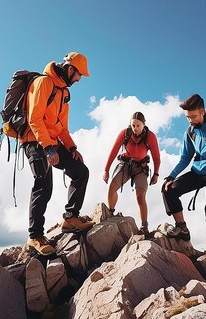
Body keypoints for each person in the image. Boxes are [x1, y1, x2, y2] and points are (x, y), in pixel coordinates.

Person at [20, 52, 93, 256]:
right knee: (43, 183)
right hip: (34, 140)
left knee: (81, 171)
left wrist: (72, 148)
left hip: (51, 141)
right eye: (79, 75)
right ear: (70, 69)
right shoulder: (44, 83)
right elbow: (35, 119)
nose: (79, 80)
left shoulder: (64, 94)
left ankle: (70, 218)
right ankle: (34, 237)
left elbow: (62, 129)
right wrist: (48, 148)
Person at [161, 94, 206, 252]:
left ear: (202, 111)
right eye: (187, 117)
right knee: (168, 190)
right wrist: (171, 176)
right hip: (198, 171)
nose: (190, 120)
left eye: (193, 116)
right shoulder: (190, 132)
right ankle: (182, 229)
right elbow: (185, 157)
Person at [103, 111, 161, 234]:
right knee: (112, 186)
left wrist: (156, 174)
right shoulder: (125, 133)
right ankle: (111, 213)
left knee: (140, 196)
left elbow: (156, 157)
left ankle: (144, 226)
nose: (135, 128)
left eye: (138, 126)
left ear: (144, 124)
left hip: (141, 168)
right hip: (125, 165)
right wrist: (106, 170)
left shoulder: (150, 136)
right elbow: (113, 151)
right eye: (133, 125)